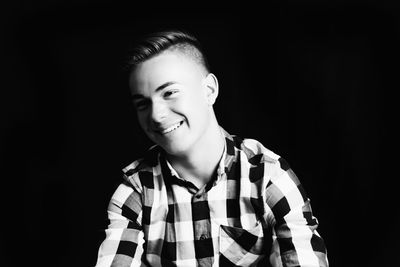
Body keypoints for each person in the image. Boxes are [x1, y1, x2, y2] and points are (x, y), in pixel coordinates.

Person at [95, 29, 328, 267]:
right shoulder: (136, 190)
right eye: (143, 104)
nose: (156, 115)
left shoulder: (267, 176)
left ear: (209, 90)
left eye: (170, 93)